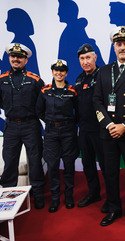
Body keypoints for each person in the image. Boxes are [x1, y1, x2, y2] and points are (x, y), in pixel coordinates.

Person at [93, 26, 125, 231]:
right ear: (114, 46)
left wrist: (124, 126)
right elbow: (97, 101)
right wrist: (108, 124)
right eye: (118, 44)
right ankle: (114, 208)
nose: (122, 47)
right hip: (108, 132)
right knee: (111, 173)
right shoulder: (104, 71)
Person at [0, 43, 45, 209]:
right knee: (10, 161)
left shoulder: (35, 80)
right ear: (9, 57)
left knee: (34, 161)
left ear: (25, 59)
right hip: (11, 125)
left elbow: (43, 103)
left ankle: (38, 193)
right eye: (13, 56)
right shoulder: (2, 79)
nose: (15, 59)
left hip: (31, 125)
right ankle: (7, 196)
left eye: (19, 57)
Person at [36, 60, 79, 213]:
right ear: (52, 72)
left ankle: (68, 196)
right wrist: (50, 122)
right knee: (53, 166)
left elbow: (78, 112)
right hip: (51, 133)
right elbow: (39, 111)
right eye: (56, 70)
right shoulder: (45, 91)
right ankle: (55, 198)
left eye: (62, 71)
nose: (59, 73)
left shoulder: (72, 91)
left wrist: (69, 124)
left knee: (68, 165)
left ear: (66, 73)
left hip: (68, 133)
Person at [75, 44, 105, 208]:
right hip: (84, 129)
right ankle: (94, 193)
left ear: (95, 57)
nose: (85, 62)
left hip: (100, 129)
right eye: (82, 59)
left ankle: (112, 197)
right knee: (88, 164)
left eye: (88, 58)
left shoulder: (104, 75)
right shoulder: (79, 79)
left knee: (106, 165)